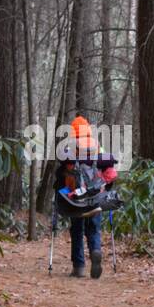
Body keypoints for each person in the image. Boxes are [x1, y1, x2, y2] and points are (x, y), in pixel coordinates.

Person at [54, 115, 116, 279]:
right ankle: (95, 251)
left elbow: (61, 174)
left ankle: (79, 267)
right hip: (96, 198)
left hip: (75, 200)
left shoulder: (69, 149)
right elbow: (109, 173)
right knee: (94, 229)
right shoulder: (98, 148)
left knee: (77, 230)